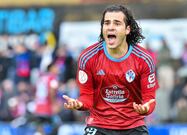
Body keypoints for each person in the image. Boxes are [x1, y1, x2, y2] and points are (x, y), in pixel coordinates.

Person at [63, 5, 159, 135]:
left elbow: (149, 98)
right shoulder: (88, 58)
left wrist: (146, 108)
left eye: (117, 23)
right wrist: (79, 104)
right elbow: (87, 97)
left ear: (127, 29)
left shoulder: (143, 59)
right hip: (99, 125)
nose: (110, 27)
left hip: (133, 126)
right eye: (106, 23)